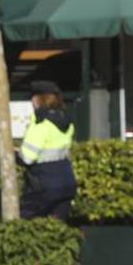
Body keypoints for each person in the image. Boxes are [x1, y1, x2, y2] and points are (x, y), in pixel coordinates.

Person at [19, 80, 78, 221]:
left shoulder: (40, 124)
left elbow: (27, 158)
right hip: (67, 182)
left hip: (44, 185)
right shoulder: (66, 122)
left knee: (24, 221)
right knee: (56, 227)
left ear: (38, 100)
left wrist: (14, 153)